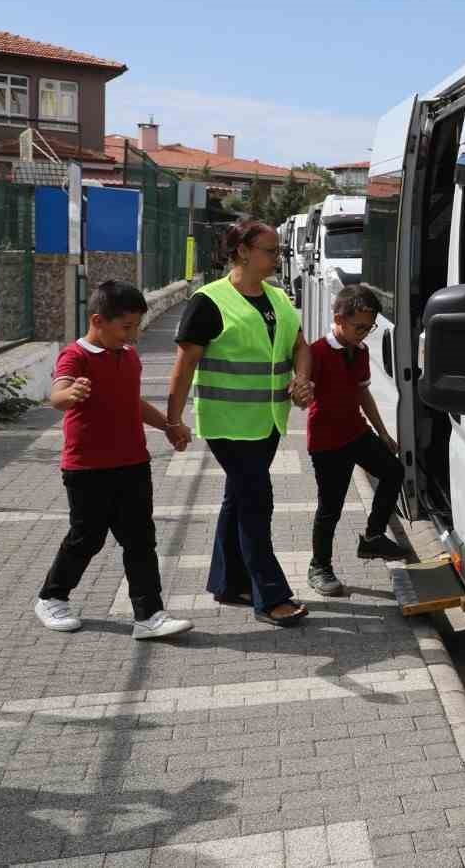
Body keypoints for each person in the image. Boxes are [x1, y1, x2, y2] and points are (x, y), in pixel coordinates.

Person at [167, 220, 315, 628]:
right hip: (228, 424)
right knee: (256, 502)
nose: (277, 257)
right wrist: (172, 420)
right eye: (270, 250)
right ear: (244, 252)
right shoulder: (209, 301)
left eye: (279, 251)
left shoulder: (278, 298)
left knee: (238, 499)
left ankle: (228, 581)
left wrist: (301, 380)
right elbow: (185, 366)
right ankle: (270, 595)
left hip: (266, 422)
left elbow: (300, 346)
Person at [35, 281, 195, 639]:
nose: (134, 335)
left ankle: (149, 615)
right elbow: (57, 395)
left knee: (140, 539)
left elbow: (132, 404)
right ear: (97, 320)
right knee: (86, 538)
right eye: (127, 327)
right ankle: (51, 597)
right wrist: (70, 393)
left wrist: (169, 425)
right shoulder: (75, 356)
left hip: (134, 463)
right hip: (87, 469)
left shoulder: (128, 355)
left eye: (137, 326)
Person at [304, 284, 409, 597]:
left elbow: (363, 392)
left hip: (357, 432)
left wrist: (383, 433)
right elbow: (300, 393)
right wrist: (298, 391)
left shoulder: (360, 352)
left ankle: (373, 537)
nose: (364, 333)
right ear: (339, 318)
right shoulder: (317, 352)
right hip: (326, 442)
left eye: (369, 327)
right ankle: (319, 567)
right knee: (330, 509)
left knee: (394, 471)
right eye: (359, 326)